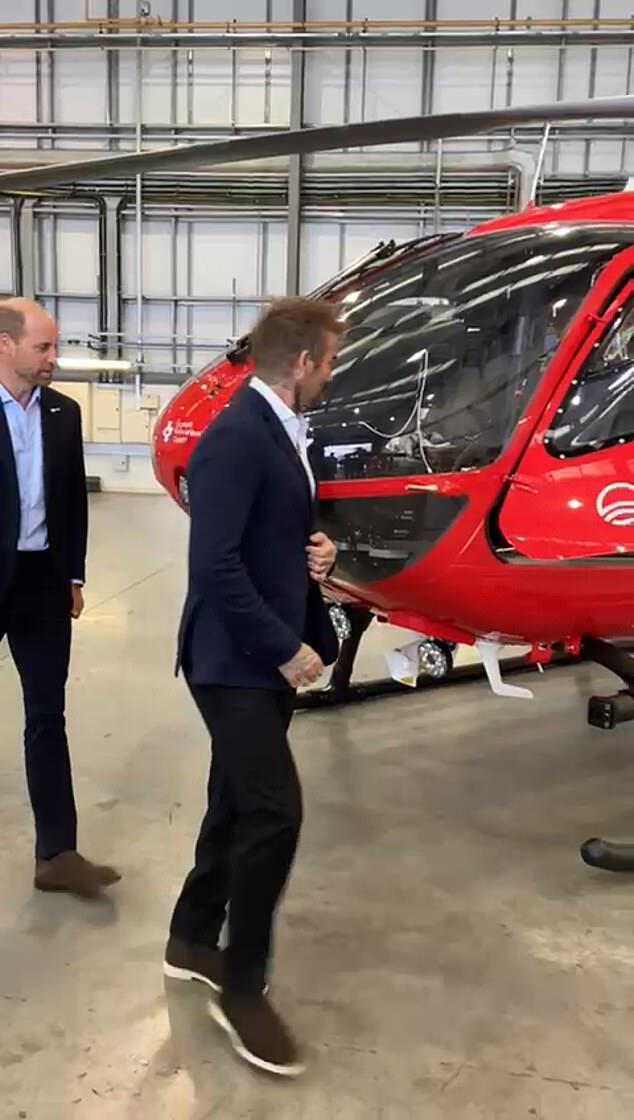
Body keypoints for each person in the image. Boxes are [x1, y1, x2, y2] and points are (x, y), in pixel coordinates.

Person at [164, 297, 343, 1076]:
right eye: (330, 360)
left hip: (261, 653)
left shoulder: (280, 432)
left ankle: (191, 937)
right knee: (275, 810)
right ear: (302, 364)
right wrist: (286, 650)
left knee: (237, 800)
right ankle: (243, 986)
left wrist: (317, 555)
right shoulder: (235, 437)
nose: (331, 373)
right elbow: (214, 569)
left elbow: (265, 536)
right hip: (232, 661)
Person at [0, 298, 120, 899]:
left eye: (54, 346)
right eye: (42, 347)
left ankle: (58, 853)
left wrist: (72, 575)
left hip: (43, 584)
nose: (53, 357)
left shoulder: (62, 413)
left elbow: (73, 504)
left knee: (47, 716)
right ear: (5, 345)